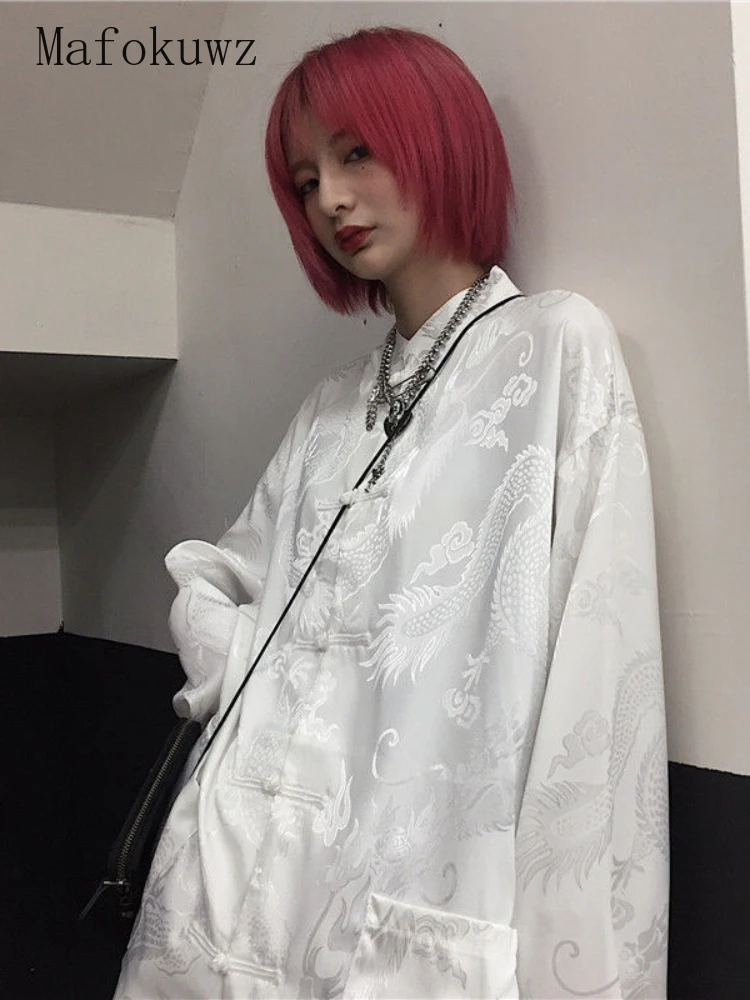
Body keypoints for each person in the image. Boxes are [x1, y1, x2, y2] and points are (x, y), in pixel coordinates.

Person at [114, 26, 669, 1000]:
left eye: (356, 152)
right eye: (304, 181)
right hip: (229, 879)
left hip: (414, 901)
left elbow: (601, 677)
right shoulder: (330, 410)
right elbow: (218, 576)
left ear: (439, 136)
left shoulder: (554, 352)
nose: (329, 199)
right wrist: (250, 679)